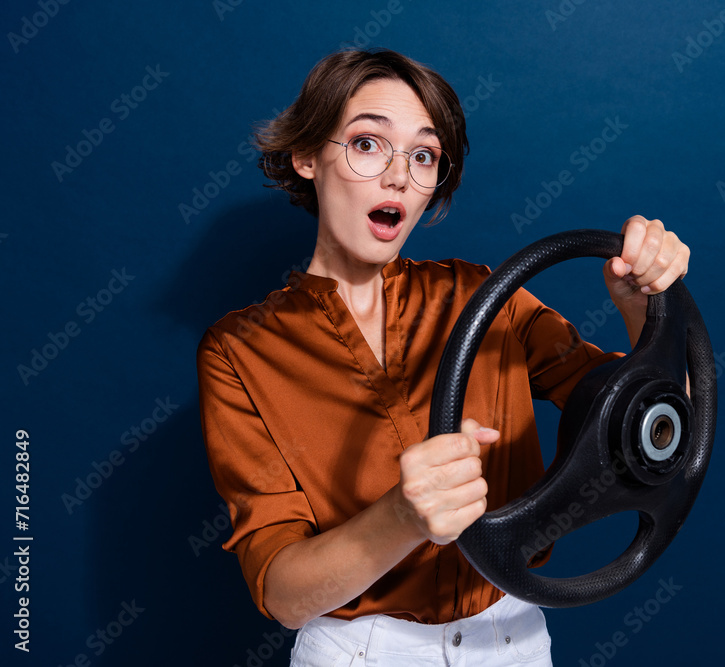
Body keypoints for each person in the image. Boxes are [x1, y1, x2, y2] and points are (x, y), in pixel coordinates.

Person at [196, 48, 689, 666]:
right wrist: (403, 515)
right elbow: (284, 594)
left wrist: (644, 304)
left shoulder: (485, 297)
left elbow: (650, 428)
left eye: (423, 155)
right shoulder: (238, 352)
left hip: (512, 642)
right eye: (368, 144)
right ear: (306, 157)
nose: (400, 177)